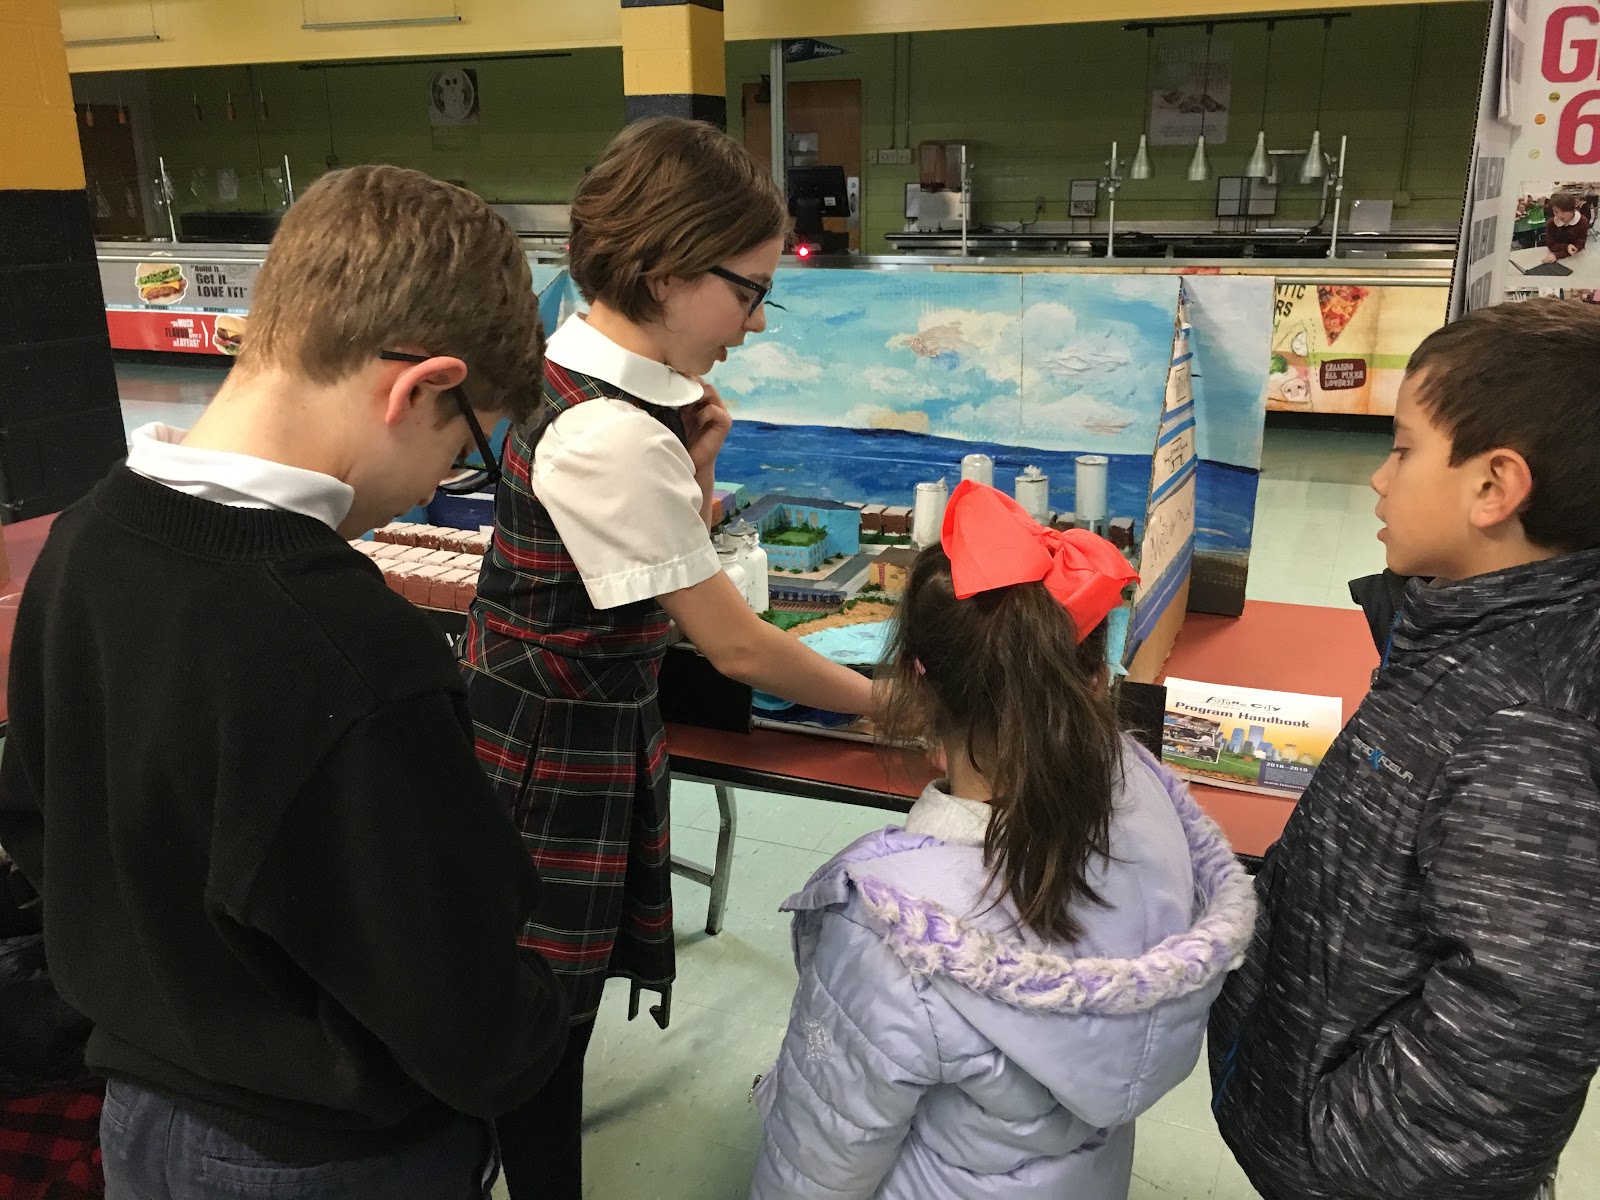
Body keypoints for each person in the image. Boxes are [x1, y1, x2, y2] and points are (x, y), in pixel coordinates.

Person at [0, 164, 570, 1199]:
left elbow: (40, 819)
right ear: (419, 388)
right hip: (319, 1156)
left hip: (133, 1113)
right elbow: (452, 995)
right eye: (462, 450)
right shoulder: (350, 648)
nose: (437, 487)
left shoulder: (82, 541)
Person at [460, 116, 875, 1199]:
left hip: (554, 716)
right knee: (542, 1015)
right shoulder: (610, 431)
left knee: (529, 1001)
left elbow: (650, 560)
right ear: (663, 272)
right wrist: (886, 706)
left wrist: (699, 466)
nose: (754, 320)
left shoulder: (574, 368)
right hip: (553, 754)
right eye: (748, 290)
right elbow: (733, 644)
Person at [748, 481, 1257, 1199]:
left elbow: (818, 1164)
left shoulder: (892, 934)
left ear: (919, 693)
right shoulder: (1151, 803)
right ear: (1095, 679)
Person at [1209, 298, 1600, 1200]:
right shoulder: (1460, 632)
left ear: (1495, 488)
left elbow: (1524, 1017)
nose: (1378, 479)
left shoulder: (1531, 724)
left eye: (1404, 449)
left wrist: (1343, 1149)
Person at [1543, 190, 1589, 264]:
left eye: (1564, 211)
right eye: (1556, 212)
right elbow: (1551, 245)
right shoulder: (1551, 224)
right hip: (1555, 258)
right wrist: (1567, 247)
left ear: (1572, 209)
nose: (1559, 215)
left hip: (1577, 257)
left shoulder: (1582, 221)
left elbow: (1579, 245)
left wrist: (1558, 255)